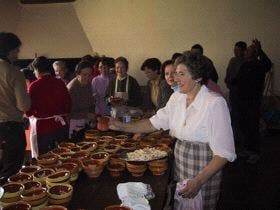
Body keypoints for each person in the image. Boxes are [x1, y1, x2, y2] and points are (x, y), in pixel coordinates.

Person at [110, 53, 236, 210]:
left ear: (197, 77)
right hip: (181, 166)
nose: (175, 78)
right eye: (176, 73)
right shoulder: (177, 98)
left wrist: (198, 181)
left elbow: (224, 153)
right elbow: (153, 123)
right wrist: (120, 126)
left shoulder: (214, 103)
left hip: (204, 172)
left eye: (181, 74)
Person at [234, 39, 272, 163]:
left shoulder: (259, 65)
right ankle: (247, 150)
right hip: (241, 101)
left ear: (255, 53)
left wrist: (260, 50)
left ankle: (255, 152)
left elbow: (268, 64)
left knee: (252, 127)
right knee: (244, 125)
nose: (246, 51)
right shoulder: (245, 64)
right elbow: (237, 81)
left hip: (253, 102)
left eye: (249, 50)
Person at [0, 32, 31, 184]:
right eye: (16, 49)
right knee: (11, 174)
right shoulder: (13, 72)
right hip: (10, 128)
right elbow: (23, 105)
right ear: (8, 50)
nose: (18, 52)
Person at [26, 56, 71, 158]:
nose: (34, 73)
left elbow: (28, 111)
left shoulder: (34, 86)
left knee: (45, 159)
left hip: (43, 128)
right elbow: (68, 107)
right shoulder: (60, 83)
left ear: (37, 70)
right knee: (62, 156)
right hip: (60, 126)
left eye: (34, 70)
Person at [67, 61, 96, 138]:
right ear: (77, 74)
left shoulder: (88, 83)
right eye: (84, 75)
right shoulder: (72, 89)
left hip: (86, 120)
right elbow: (69, 113)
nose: (87, 77)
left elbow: (91, 102)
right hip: (74, 123)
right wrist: (86, 115)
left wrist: (92, 114)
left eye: (89, 75)